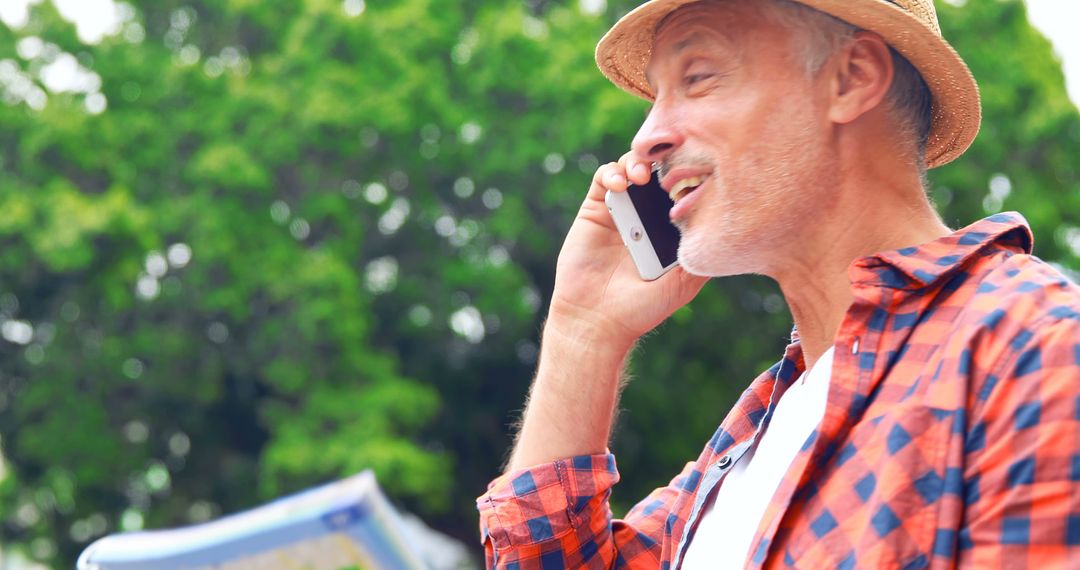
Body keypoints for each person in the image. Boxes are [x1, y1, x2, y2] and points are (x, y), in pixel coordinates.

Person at [476, 0, 1080, 567]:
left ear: (851, 78)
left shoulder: (1036, 352)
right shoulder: (751, 434)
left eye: (699, 76)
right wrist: (582, 334)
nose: (646, 137)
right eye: (656, 96)